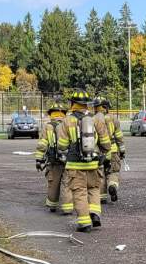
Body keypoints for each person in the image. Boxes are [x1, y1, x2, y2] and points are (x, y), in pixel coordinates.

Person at [61, 90, 110, 232]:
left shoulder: (68, 121)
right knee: (94, 189)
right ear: (87, 104)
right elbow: (106, 143)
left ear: (72, 104)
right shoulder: (96, 119)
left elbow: (63, 145)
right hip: (94, 163)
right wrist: (104, 154)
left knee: (80, 192)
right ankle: (95, 214)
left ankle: (84, 223)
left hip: (75, 165)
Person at [34, 101, 67, 212]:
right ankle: (67, 208)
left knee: (53, 183)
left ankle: (52, 205)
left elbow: (42, 144)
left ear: (51, 114)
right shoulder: (69, 124)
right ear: (64, 114)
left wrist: (39, 159)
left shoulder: (48, 126)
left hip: (54, 161)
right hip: (69, 160)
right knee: (67, 183)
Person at [93, 97, 125, 203]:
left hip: (99, 151)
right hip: (113, 150)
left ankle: (102, 197)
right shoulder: (113, 118)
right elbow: (119, 136)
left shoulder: (94, 119)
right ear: (106, 107)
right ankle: (112, 185)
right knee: (114, 172)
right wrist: (122, 150)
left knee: (101, 173)